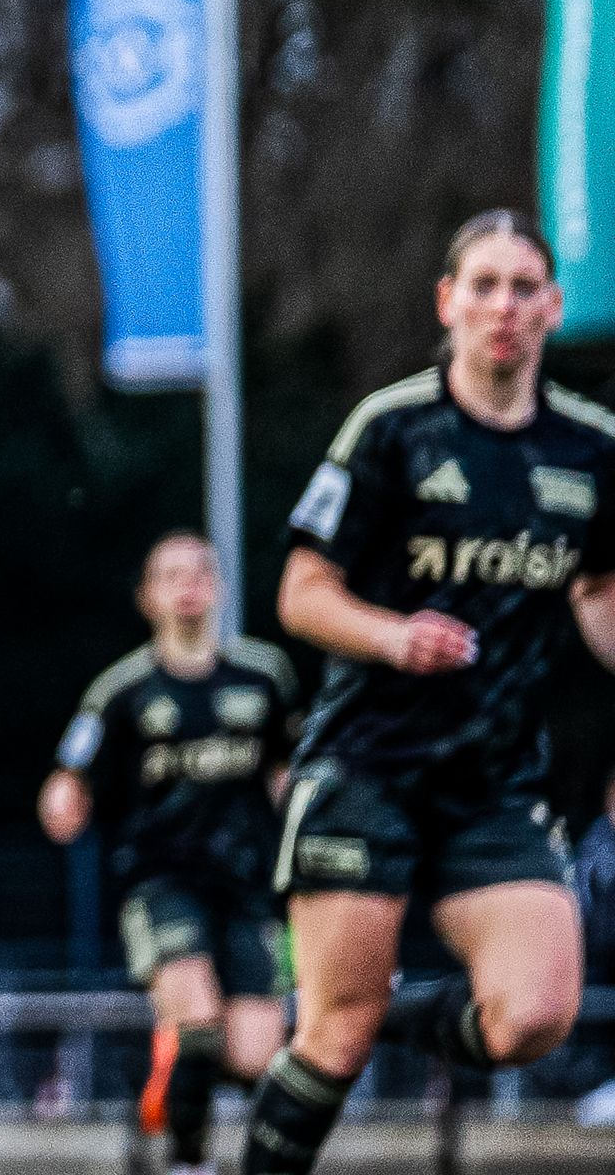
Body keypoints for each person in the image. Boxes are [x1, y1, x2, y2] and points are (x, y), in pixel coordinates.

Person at [242, 211, 615, 1174]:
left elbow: (599, 589)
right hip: (369, 767)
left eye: (524, 287)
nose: (504, 307)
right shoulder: (392, 428)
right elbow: (300, 590)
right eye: (483, 286)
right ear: (446, 303)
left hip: (495, 781)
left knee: (536, 1016)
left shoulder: (591, 449)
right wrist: (393, 636)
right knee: (329, 1038)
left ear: (553, 309)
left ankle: (400, 1016)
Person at [36, 530, 301, 1175]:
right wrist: (63, 801)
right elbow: (67, 777)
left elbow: (288, 770)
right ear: (147, 596)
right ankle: (186, 1162)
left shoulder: (264, 676)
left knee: (256, 1057)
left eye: (200, 574)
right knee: (200, 1022)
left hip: (245, 884)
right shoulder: (120, 692)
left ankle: (164, 1079)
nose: (188, 588)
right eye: (172, 576)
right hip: (161, 883)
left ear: (216, 589)